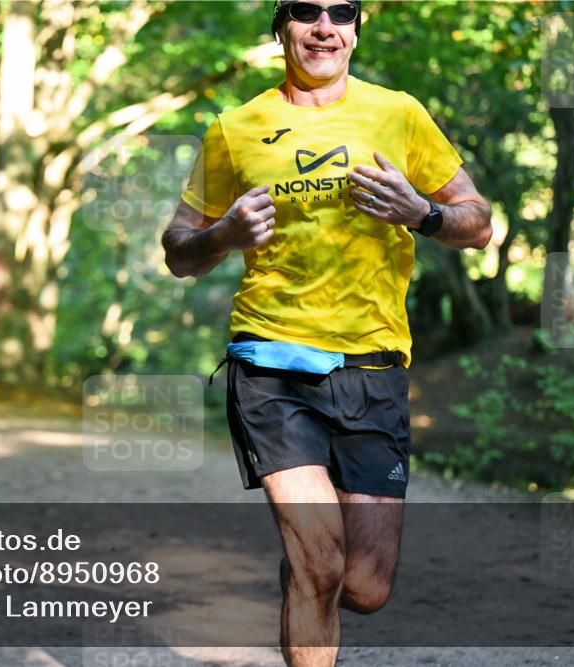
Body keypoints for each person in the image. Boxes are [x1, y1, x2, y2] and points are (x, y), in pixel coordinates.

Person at [161, 2, 493, 665]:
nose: (324, 26)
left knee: (364, 584)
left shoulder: (399, 114)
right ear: (281, 27)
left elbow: (478, 222)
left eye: (340, 12)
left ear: (355, 31)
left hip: (373, 367)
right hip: (271, 365)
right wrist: (223, 235)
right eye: (305, 12)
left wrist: (422, 213)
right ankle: (310, 567)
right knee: (321, 560)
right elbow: (177, 250)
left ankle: (306, 575)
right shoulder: (237, 127)